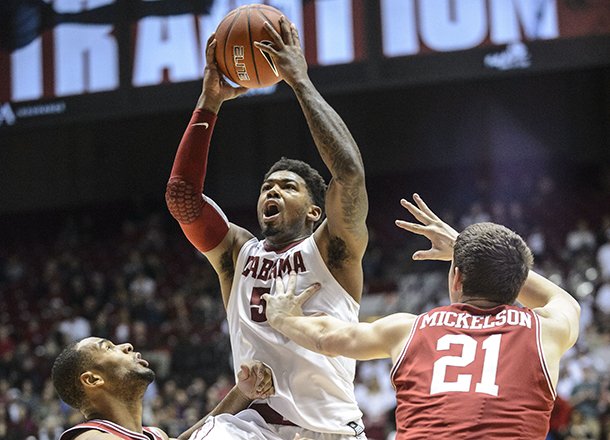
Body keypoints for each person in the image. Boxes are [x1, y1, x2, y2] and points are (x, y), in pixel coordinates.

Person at [165, 14, 368, 440]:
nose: (271, 192)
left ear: (315, 212)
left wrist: (299, 82)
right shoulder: (239, 253)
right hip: (251, 427)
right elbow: (182, 198)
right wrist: (210, 101)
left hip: (327, 430)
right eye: (266, 187)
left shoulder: (332, 251)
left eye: (288, 187)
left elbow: (348, 173)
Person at [263, 194, 581, 439]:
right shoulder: (544, 331)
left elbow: (328, 337)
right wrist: (464, 248)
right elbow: (563, 299)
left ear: (456, 278)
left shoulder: (409, 329)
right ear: (517, 283)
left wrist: (282, 318)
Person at [52, 337, 274, 440]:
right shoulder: (89, 438)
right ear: (92, 380)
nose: (126, 346)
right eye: (109, 347)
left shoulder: (153, 435)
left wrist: (242, 392)